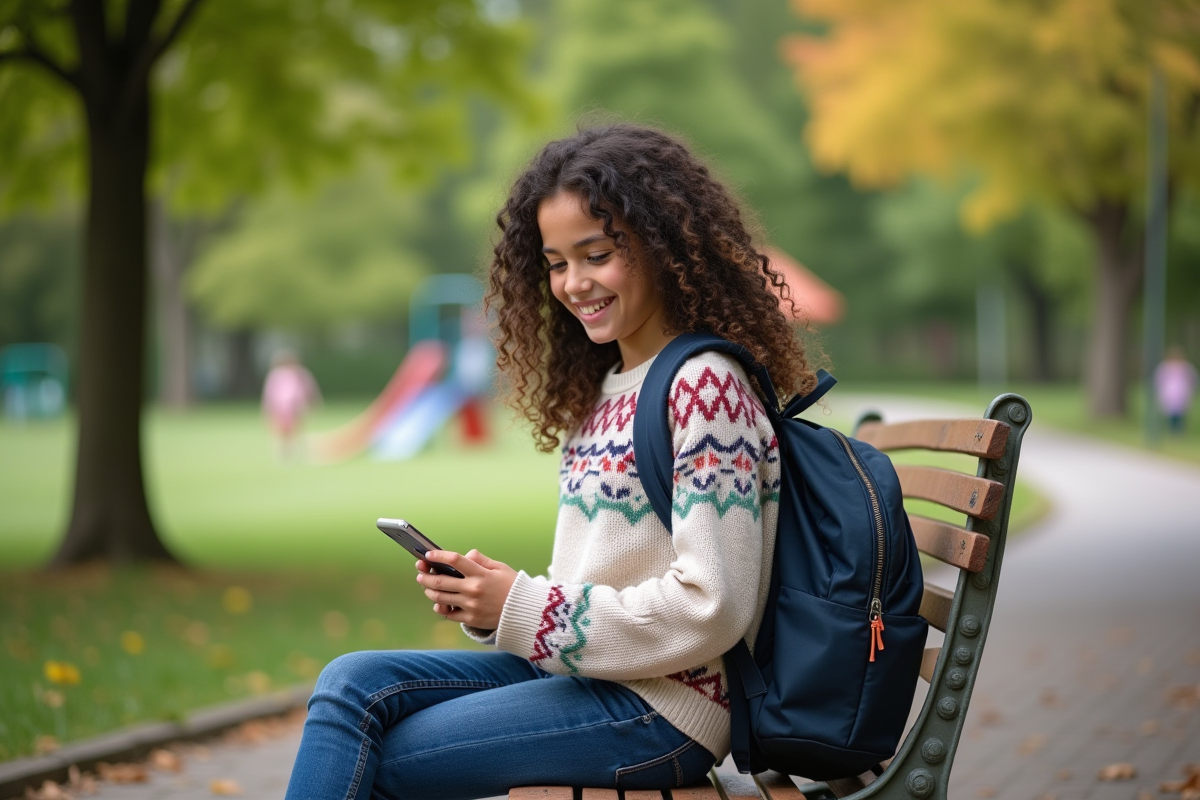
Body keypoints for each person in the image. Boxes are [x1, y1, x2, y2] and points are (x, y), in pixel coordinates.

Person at [283, 124, 819, 800]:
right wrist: (492, 602)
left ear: (664, 245)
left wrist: (524, 605)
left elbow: (713, 607)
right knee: (348, 686)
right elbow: (598, 577)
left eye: (596, 255)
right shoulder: (608, 385)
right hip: (586, 675)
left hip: (660, 707)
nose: (573, 283)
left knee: (379, 760)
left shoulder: (704, 385)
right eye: (557, 262)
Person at [261, 349, 322, 459]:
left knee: (297, 429)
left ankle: (297, 452)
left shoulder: (301, 373)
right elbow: (269, 392)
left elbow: (310, 388)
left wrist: (314, 402)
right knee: (280, 431)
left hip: (297, 406)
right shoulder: (276, 375)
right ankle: (284, 454)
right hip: (279, 407)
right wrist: (267, 408)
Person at [1154, 346, 1199, 434]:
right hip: (1169, 393)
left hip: (1181, 393)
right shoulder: (1165, 367)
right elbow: (1159, 379)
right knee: (1171, 414)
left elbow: (1193, 379)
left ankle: (1178, 430)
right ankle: (1173, 430)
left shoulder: (1186, 367)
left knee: (1180, 414)